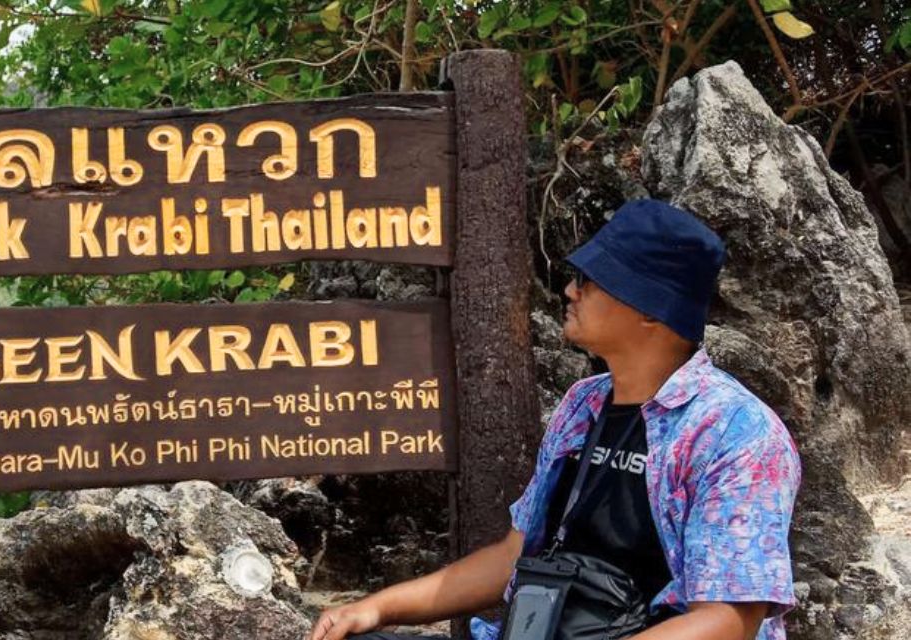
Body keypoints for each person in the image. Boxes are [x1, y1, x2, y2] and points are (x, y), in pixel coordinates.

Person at [306, 199, 802, 640]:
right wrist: (374, 609)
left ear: (651, 310)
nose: (570, 289)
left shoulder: (736, 435)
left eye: (590, 280)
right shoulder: (583, 405)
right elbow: (513, 556)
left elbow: (729, 619)